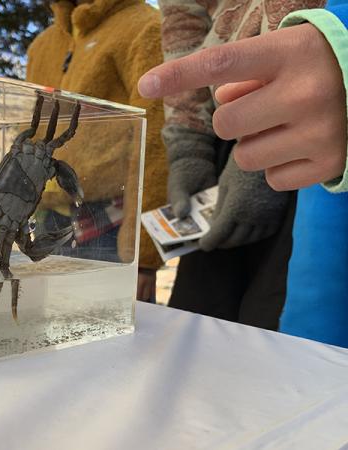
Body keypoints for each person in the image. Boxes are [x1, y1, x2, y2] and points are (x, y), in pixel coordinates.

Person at [139, 1, 348, 344]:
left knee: (284, 338)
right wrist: (188, 147)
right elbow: (182, 16)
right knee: (198, 330)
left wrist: (266, 135)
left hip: (318, 116)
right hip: (227, 131)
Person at [26, 0, 169, 302]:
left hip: (110, 230)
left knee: (109, 343)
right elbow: (28, 130)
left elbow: (155, 140)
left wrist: (142, 253)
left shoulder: (146, 27)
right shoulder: (42, 45)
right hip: (46, 223)